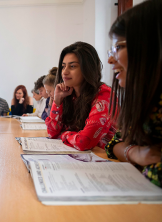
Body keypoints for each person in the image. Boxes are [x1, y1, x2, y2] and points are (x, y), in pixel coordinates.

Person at [104, 0, 162, 187]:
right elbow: (113, 145)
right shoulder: (140, 97)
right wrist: (136, 153)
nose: (111, 58)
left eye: (119, 47)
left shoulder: (102, 96)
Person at [45, 42, 116, 151]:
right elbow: (52, 133)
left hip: (104, 159)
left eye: (72, 66)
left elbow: (84, 142)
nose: (65, 72)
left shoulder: (104, 95)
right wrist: (57, 101)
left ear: (88, 68)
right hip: (80, 157)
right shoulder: (69, 94)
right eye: (63, 67)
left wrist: (64, 135)